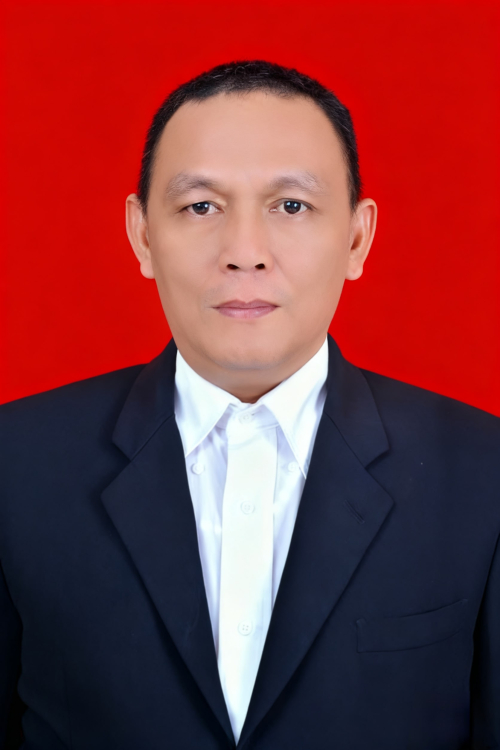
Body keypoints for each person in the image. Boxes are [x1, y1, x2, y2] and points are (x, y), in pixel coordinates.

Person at [0, 59, 499, 750]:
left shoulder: (482, 473)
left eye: (290, 206)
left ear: (357, 239)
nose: (244, 253)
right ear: (142, 235)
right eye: (201, 206)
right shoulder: (17, 465)